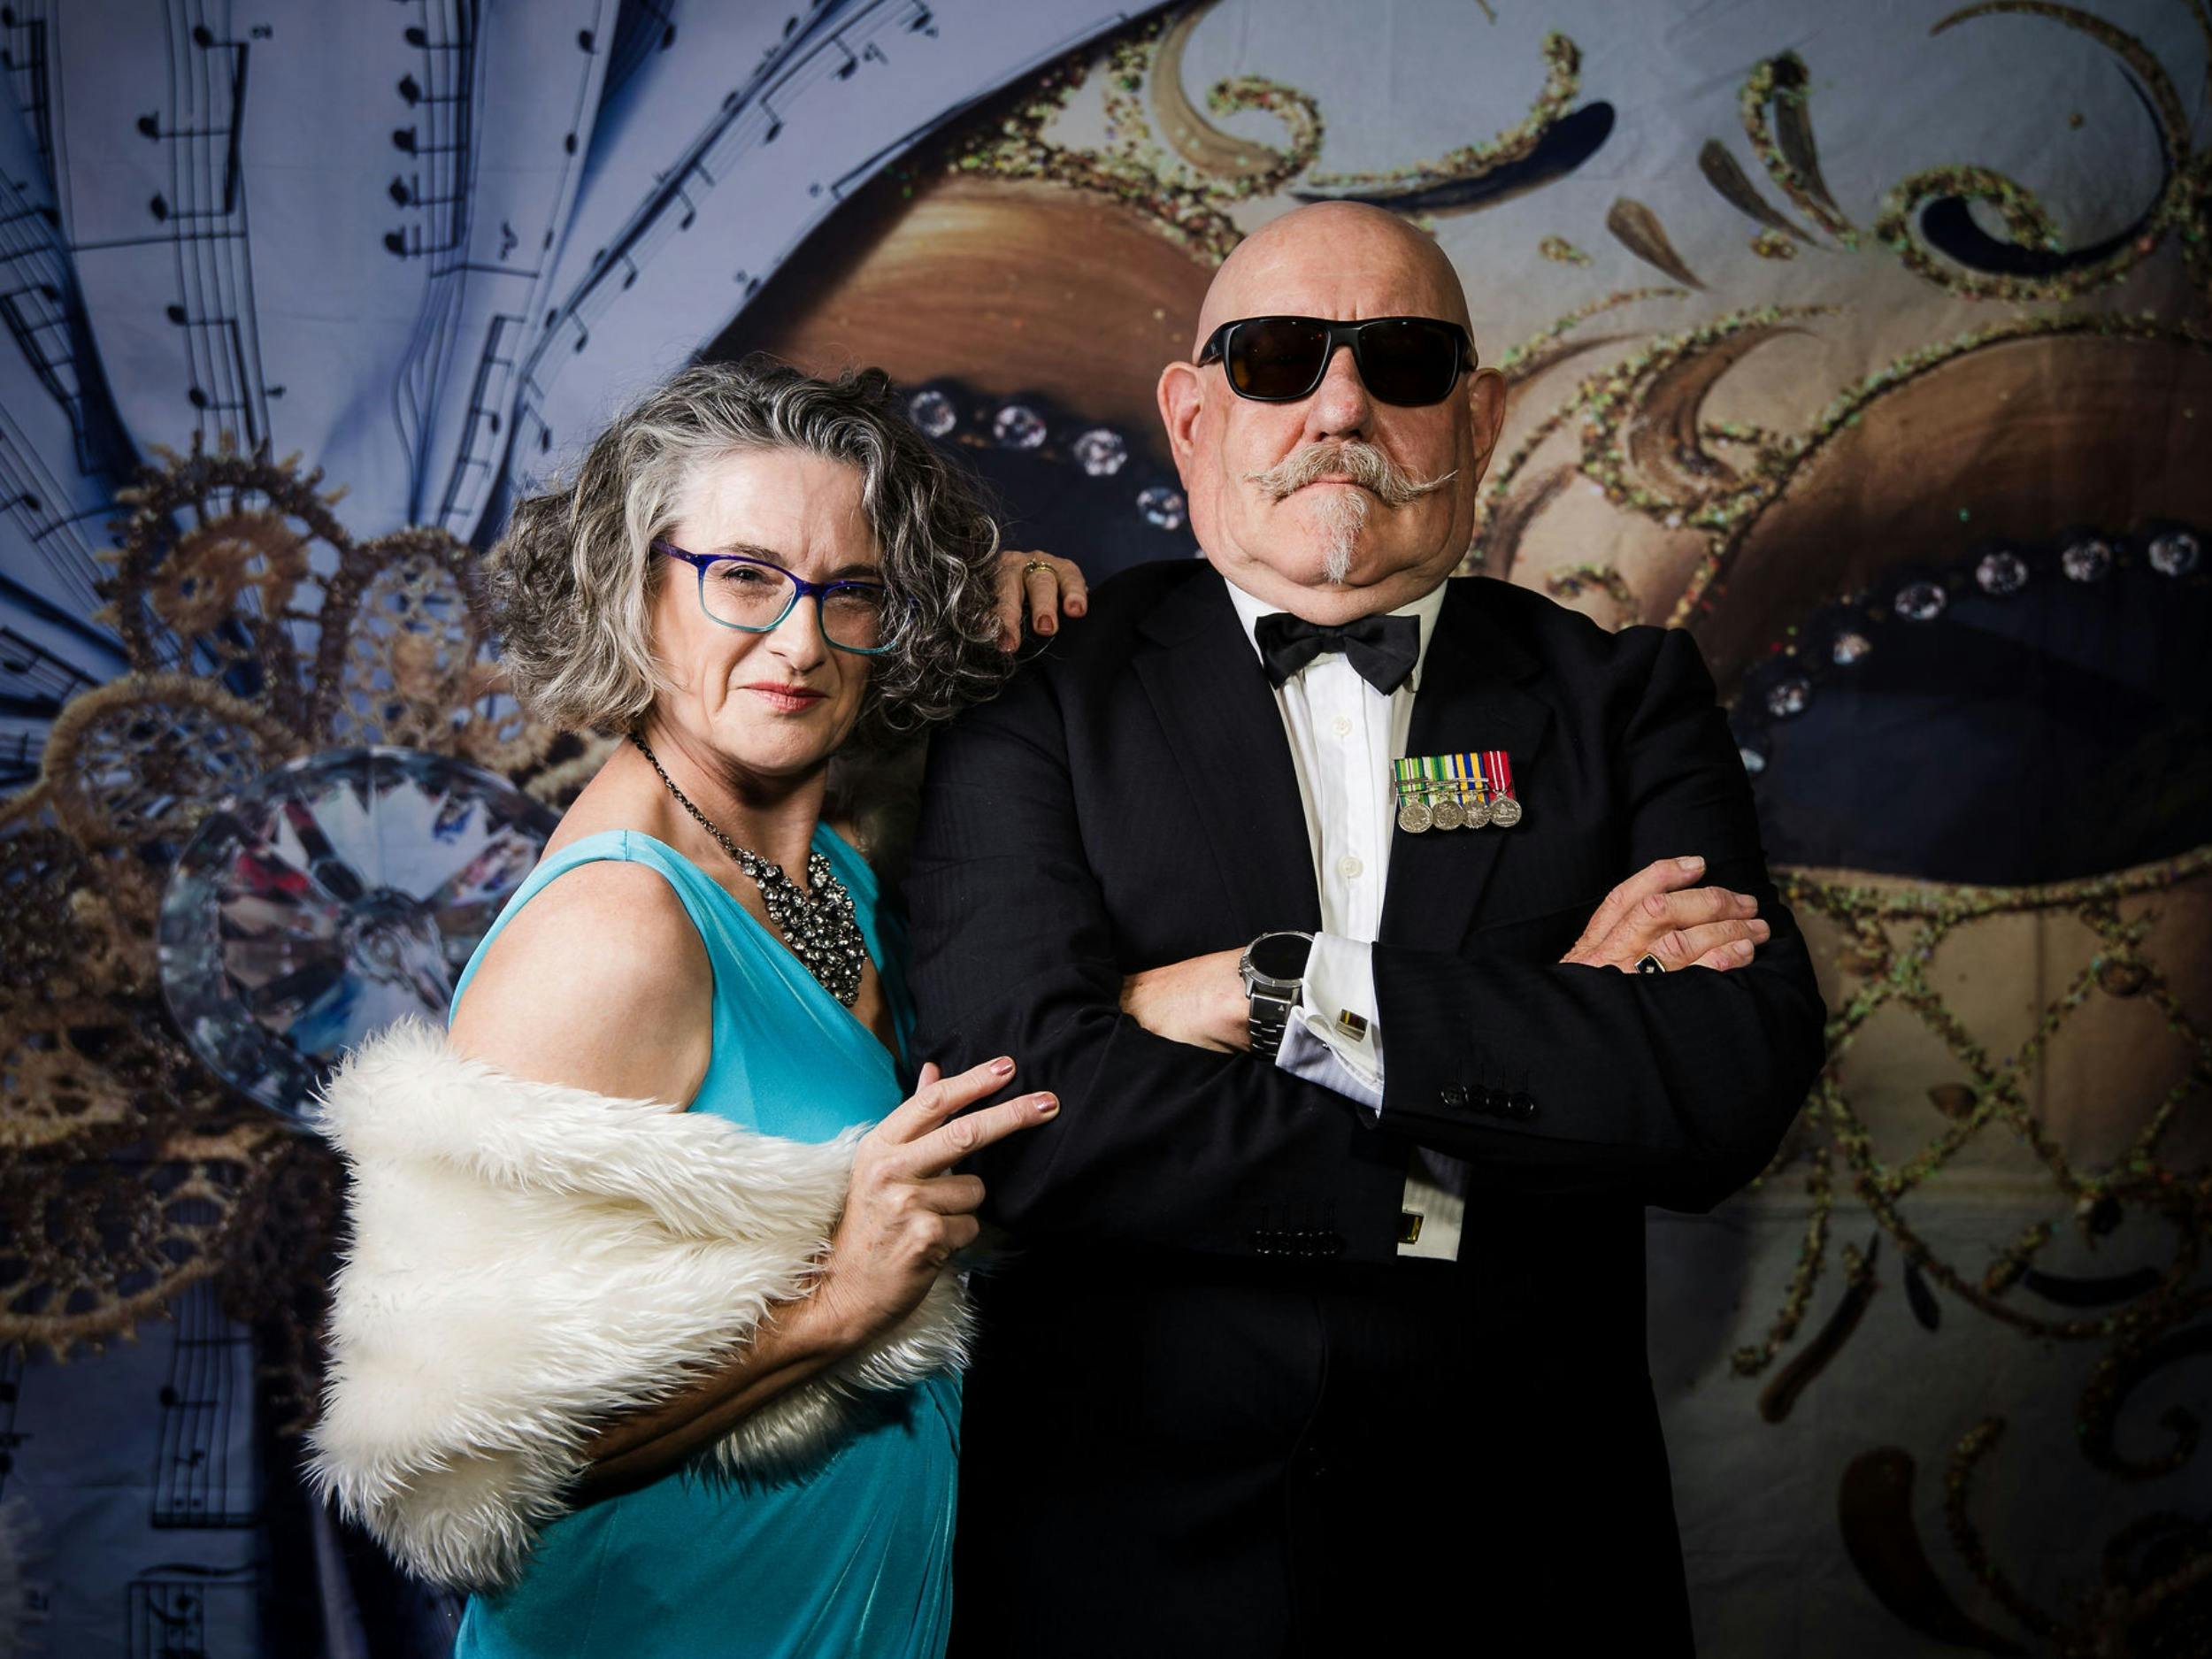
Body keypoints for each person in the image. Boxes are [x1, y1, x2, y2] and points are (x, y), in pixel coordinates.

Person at [905, 203, 1828, 1656]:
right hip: (1126, 1556)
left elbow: (1719, 1091)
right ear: (1193, 415)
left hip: (1528, 1561)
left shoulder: (1624, 699)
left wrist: (1281, 990)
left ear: (1479, 414)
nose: (1341, 402)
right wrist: (1517, 1062)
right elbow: (1021, 1101)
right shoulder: (1032, 688)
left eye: (1401, 362)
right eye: (1277, 359)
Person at [305, 359, 1087, 1658]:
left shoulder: (819, 861)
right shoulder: (618, 928)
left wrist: (995, 612)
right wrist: (842, 1296)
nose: (798, 642)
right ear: (635, 588)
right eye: (742, 579)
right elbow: (451, 1461)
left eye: (854, 594)